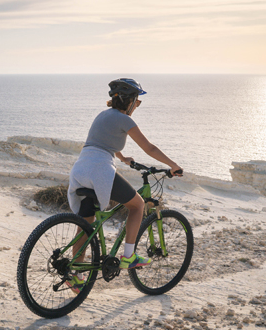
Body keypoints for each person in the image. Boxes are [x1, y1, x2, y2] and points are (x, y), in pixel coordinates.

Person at [67, 78, 182, 293]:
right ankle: (128, 256)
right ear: (129, 101)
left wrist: (121, 157)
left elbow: (101, 141)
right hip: (99, 170)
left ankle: (75, 274)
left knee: (85, 224)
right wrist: (173, 165)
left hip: (80, 169)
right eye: (137, 102)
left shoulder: (102, 115)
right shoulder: (124, 119)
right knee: (137, 206)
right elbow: (150, 148)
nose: (137, 106)